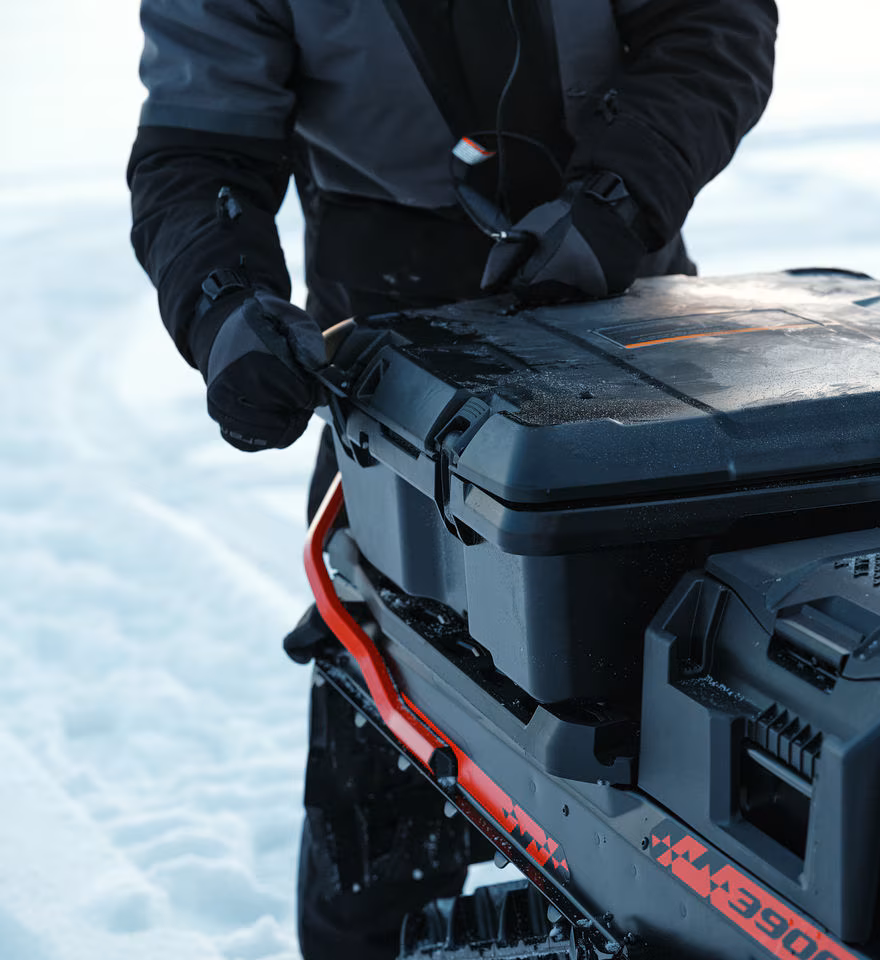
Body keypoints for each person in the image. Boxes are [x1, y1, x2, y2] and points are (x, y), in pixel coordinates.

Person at [127, 1, 776, 957]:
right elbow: (198, 147)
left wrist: (619, 199)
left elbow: (711, 27)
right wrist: (224, 302)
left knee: (695, 754)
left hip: (628, 325)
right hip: (395, 367)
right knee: (385, 763)